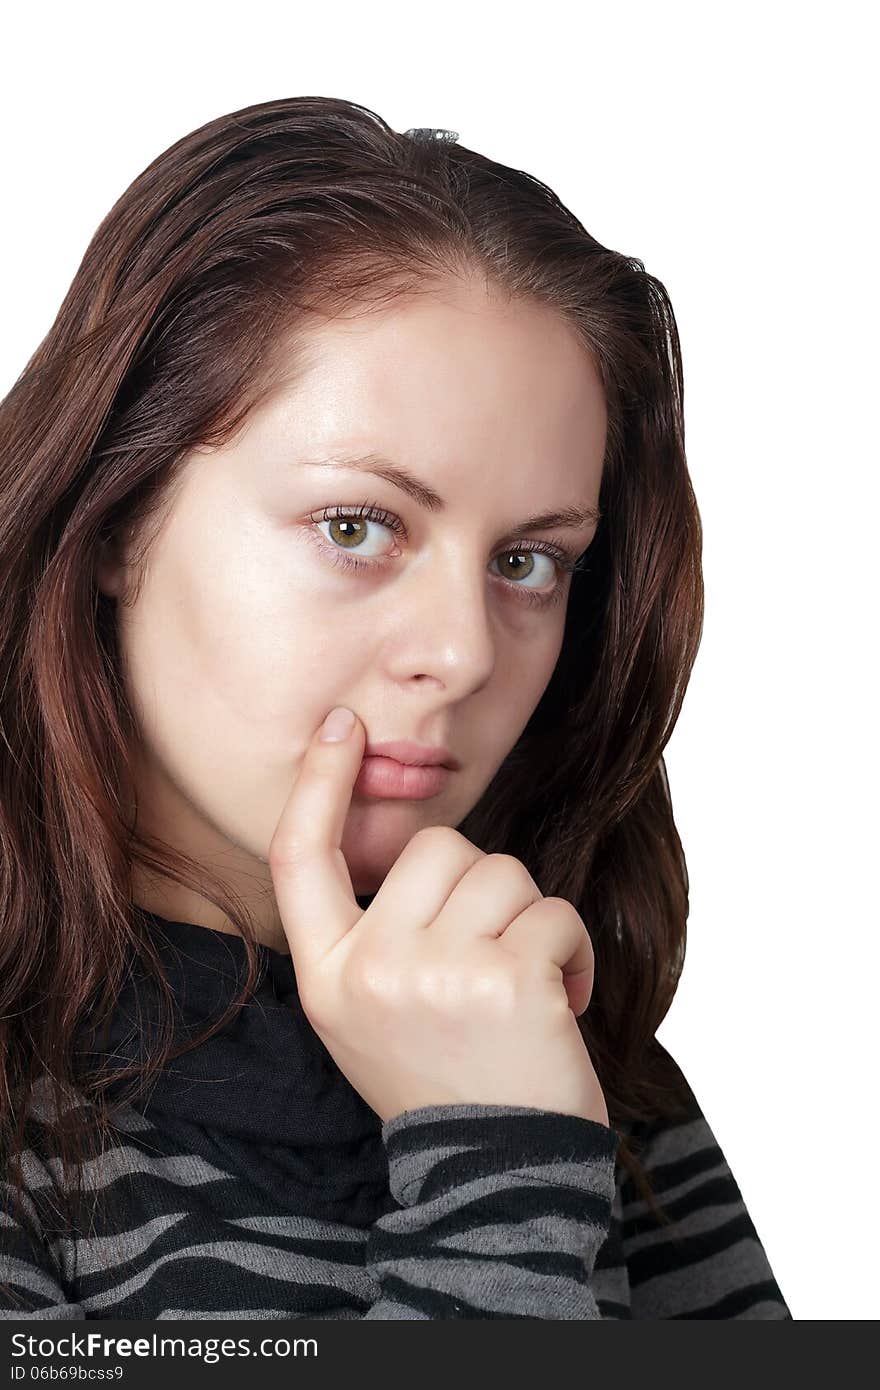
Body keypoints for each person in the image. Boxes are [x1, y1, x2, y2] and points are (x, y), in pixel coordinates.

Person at [0, 97, 790, 1320]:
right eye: (357, 526)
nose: (465, 651)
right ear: (116, 519)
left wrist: (514, 1122)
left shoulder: (578, 1073)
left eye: (530, 560)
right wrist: (499, 1181)